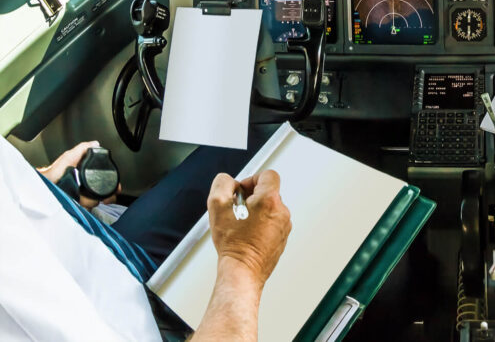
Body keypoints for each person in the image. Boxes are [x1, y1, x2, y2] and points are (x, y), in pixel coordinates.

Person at [0, 133, 291, 340]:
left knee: (247, 146)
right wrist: (244, 262)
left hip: (108, 258)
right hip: (147, 321)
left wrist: (51, 189)